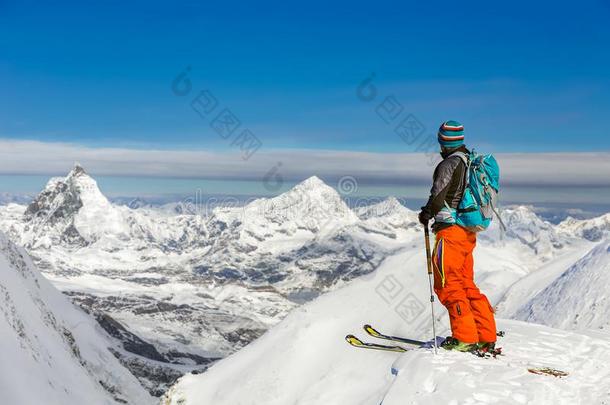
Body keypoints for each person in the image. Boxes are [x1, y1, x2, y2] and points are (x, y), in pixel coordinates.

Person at [418, 120, 497, 353]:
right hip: (467, 233)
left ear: (444, 141)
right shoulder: (470, 162)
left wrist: (426, 214)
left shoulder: (449, 164)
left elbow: (439, 195)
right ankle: (485, 334)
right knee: (465, 284)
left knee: (448, 284)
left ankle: (464, 337)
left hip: (450, 232)